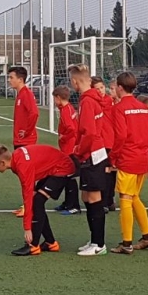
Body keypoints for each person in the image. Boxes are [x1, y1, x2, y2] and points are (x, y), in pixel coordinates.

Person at [0, 144, 74, 256]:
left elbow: (27, 197)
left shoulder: (22, 166)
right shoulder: (16, 159)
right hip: (54, 167)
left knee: (37, 202)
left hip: (63, 168)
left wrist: (27, 228)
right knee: (37, 202)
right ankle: (51, 243)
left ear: (2, 163)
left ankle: (33, 245)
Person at [109, 73, 148, 255]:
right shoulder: (143, 108)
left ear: (120, 87)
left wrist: (113, 157)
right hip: (142, 158)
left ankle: (126, 243)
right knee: (134, 196)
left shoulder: (119, 108)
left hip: (128, 158)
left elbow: (121, 136)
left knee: (125, 199)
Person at [70, 65, 109, 256]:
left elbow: (89, 133)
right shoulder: (93, 98)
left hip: (92, 154)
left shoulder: (87, 101)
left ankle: (99, 244)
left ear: (75, 82)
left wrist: (79, 150)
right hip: (94, 153)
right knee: (86, 197)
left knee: (94, 198)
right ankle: (94, 239)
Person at [8, 66, 39, 218]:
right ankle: (27, 204)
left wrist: (26, 131)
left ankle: (30, 206)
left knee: (27, 175)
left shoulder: (26, 94)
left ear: (20, 79)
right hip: (20, 140)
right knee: (23, 175)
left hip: (26, 141)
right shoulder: (20, 94)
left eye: (11, 77)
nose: (9, 80)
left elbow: (34, 113)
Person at [52, 86, 82, 215]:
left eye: (54, 98)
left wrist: (63, 137)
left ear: (58, 98)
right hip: (69, 147)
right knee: (67, 177)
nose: (54, 101)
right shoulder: (69, 108)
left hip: (69, 149)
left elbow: (72, 129)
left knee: (69, 177)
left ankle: (74, 206)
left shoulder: (65, 111)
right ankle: (68, 203)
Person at [92, 76, 117, 213]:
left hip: (109, 141)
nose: (101, 90)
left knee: (108, 172)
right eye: (97, 89)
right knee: (105, 172)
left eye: (102, 87)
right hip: (100, 142)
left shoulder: (108, 101)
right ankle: (108, 200)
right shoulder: (94, 102)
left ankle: (107, 200)